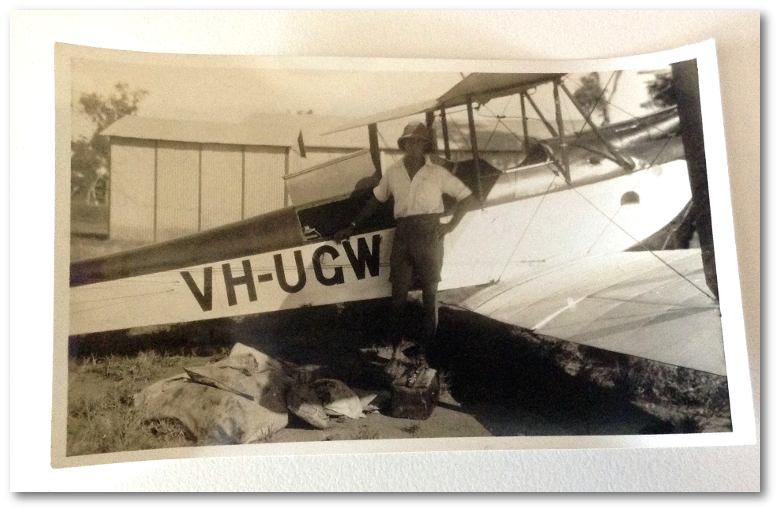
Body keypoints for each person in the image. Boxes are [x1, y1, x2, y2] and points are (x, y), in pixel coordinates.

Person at [335, 121, 478, 361]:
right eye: (410, 141)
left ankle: (427, 352)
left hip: (429, 233)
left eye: (419, 142)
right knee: (398, 294)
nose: (414, 145)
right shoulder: (393, 172)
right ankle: (395, 349)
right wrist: (352, 225)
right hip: (403, 233)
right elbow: (375, 200)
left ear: (425, 146)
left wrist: (451, 226)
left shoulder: (437, 173)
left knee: (430, 294)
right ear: (403, 145)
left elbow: (467, 198)